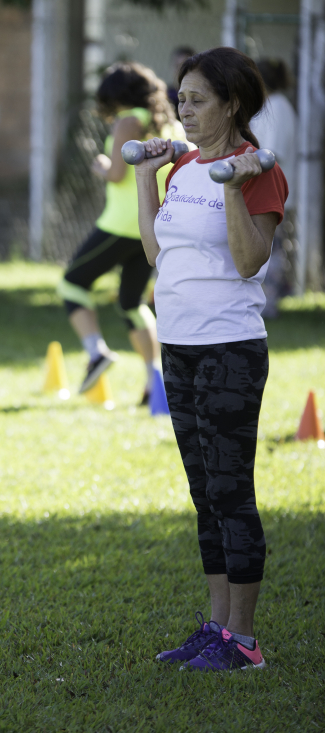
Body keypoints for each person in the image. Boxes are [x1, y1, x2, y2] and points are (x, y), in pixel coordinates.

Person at [134, 47, 288, 671]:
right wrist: (147, 177)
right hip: (180, 345)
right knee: (204, 494)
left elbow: (250, 260)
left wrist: (231, 181)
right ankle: (218, 627)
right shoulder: (183, 169)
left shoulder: (257, 170)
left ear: (232, 104)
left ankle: (244, 641)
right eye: (181, 99)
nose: (184, 110)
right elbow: (154, 251)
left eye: (198, 100)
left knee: (232, 491)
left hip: (229, 346)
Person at [58, 62, 182, 399]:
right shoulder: (169, 123)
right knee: (131, 302)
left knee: (72, 284)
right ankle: (155, 381)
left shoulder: (129, 120)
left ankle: (96, 352)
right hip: (151, 228)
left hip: (121, 223)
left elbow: (115, 174)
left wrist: (100, 165)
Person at [251, 59, 298, 316]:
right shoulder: (271, 106)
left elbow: (271, 155)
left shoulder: (277, 107)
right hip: (268, 194)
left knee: (271, 250)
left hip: (273, 194)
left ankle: (270, 305)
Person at [167, 46, 196, 112]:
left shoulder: (200, 95)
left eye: (184, 66)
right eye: (177, 66)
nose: (180, 70)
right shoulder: (167, 95)